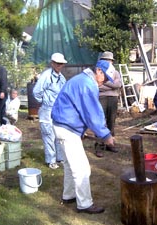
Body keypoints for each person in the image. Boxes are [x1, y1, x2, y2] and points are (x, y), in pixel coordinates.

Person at [51, 60, 115, 214]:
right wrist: (105, 135)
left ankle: (69, 195)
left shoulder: (81, 79)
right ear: (98, 71)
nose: (105, 81)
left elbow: (76, 107)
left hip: (62, 125)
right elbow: (92, 112)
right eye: (105, 77)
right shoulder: (87, 84)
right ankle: (85, 204)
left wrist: (80, 131)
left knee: (68, 164)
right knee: (82, 169)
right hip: (67, 128)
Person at [33, 53, 67, 169]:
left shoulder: (62, 78)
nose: (59, 65)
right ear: (52, 63)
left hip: (59, 110)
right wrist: (45, 102)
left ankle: (60, 158)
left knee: (59, 134)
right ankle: (51, 160)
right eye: (57, 63)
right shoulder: (46, 76)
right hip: (47, 110)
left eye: (61, 63)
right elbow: (36, 92)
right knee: (49, 135)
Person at [95, 51, 122, 157]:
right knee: (100, 121)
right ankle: (99, 146)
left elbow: (118, 85)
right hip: (101, 98)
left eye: (110, 60)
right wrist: (111, 84)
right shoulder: (98, 71)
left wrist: (105, 82)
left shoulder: (115, 72)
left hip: (113, 98)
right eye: (106, 60)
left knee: (111, 121)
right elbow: (97, 86)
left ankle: (110, 144)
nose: (108, 62)